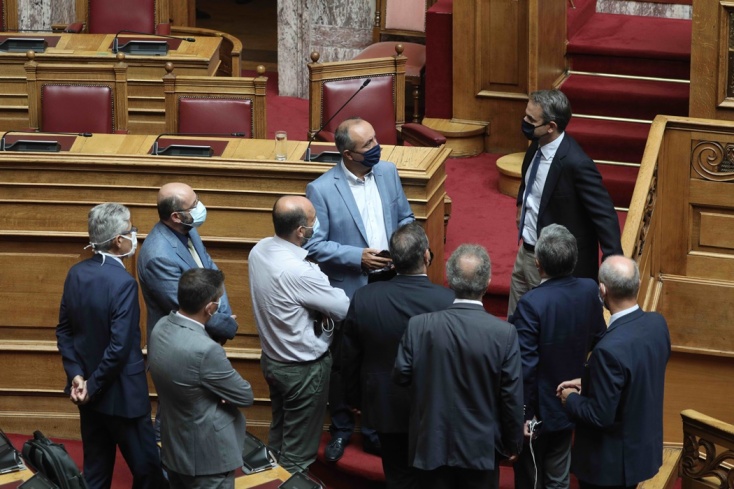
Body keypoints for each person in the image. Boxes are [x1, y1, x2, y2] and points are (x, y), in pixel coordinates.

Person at [304, 117, 415, 461]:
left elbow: (406, 218)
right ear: (348, 154)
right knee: (345, 361)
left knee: (384, 358)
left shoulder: (388, 172)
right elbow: (314, 246)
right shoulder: (322, 189)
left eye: (375, 139)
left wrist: (405, 247)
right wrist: (357, 257)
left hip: (391, 280)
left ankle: (375, 431)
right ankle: (341, 429)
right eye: (368, 145)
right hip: (351, 286)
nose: (376, 147)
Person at [394, 244, 524, 489]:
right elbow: (511, 397)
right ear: (487, 282)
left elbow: (401, 375)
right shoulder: (504, 333)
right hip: (480, 451)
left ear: (450, 281)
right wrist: (513, 443)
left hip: (431, 445)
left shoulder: (419, 326)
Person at [56, 203, 165, 489]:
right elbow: (119, 347)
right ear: (118, 240)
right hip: (123, 399)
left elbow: (64, 332)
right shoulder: (124, 283)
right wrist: (92, 386)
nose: (134, 234)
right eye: (130, 230)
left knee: (96, 474)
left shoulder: (76, 273)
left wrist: (77, 376)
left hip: (87, 396)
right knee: (149, 474)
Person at [342, 222, 454, 489]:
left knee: (398, 477)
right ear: (426, 255)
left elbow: (348, 356)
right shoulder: (448, 300)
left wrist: (354, 397)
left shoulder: (364, 297)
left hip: (384, 404)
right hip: (435, 408)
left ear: (392, 260)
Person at [249, 195, 350, 473]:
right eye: (313, 220)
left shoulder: (259, 250)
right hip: (303, 371)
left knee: (280, 434)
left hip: (273, 361)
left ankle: (271, 479)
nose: (318, 223)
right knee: (298, 455)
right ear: (301, 231)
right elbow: (342, 308)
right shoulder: (301, 272)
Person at [558, 256, 671, 489]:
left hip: (610, 467)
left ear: (602, 290)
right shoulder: (657, 324)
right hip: (639, 452)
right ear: (638, 284)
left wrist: (571, 399)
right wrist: (591, 381)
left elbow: (600, 416)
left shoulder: (608, 350)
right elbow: (637, 375)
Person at [508, 224, 606, 489]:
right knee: (558, 478)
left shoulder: (531, 303)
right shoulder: (589, 289)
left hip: (538, 411)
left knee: (531, 479)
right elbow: (601, 340)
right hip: (570, 401)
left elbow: (526, 366)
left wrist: (524, 414)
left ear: (538, 264)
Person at [509, 89, 622, 316]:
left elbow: (604, 214)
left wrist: (613, 263)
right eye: (525, 115)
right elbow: (528, 180)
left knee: (543, 323)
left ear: (551, 126)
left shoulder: (576, 163)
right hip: (525, 252)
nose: (524, 122)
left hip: (551, 266)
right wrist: (521, 204)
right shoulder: (535, 146)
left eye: (531, 119)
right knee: (515, 319)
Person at [148, 268, 254, 489]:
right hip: (208, 460)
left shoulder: (160, 327)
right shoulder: (206, 350)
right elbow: (244, 395)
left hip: (174, 448)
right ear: (210, 308)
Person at [137, 182, 237, 345]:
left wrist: (225, 315)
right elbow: (186, 309)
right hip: (180, 347)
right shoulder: (158, 257)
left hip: (203, 341)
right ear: (176, 217)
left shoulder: (188, 228)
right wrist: (225, 326)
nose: (200, 207)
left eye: (198, 199)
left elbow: (212, 273)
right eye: (194, 205)